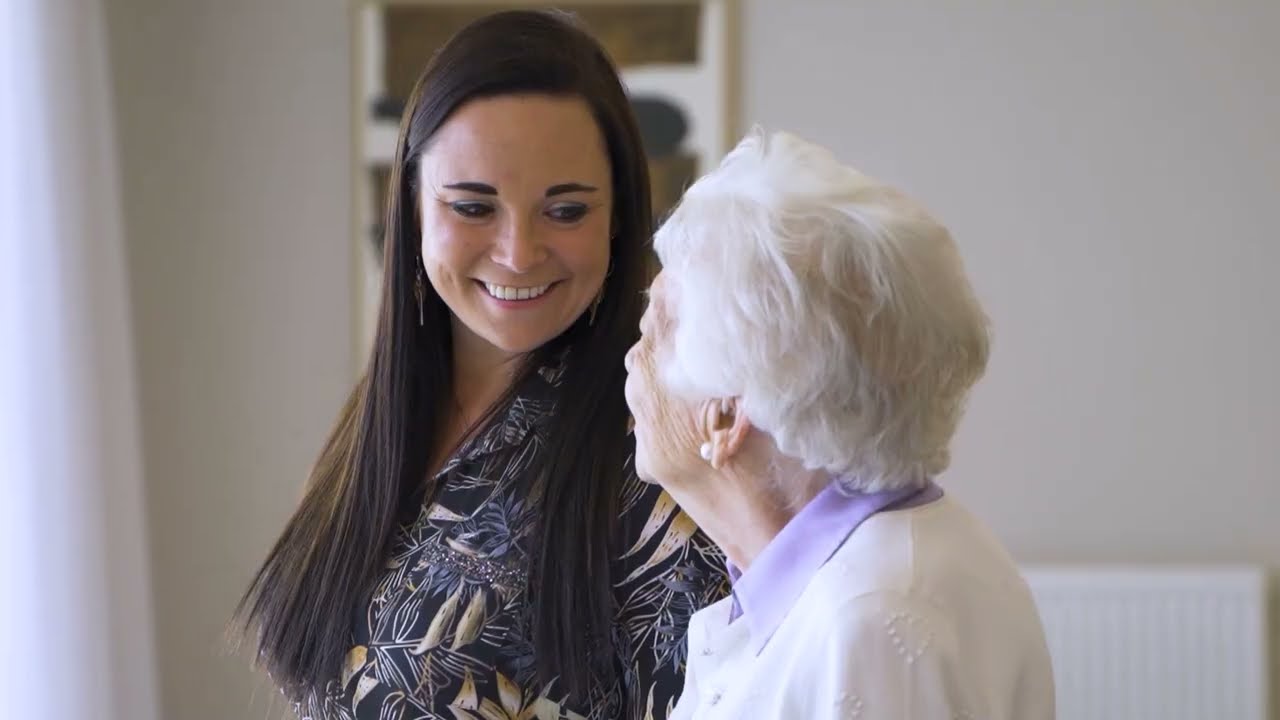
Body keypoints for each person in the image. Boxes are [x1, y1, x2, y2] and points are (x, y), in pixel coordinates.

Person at [237, 10, 728, 720]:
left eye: (565, 211)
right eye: (473, 207)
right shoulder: (380, 419)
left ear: (617, 217)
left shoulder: (657, 458)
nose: (518, 253)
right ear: (411, 204)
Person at [623, 129, 1056, 719]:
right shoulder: (875, 567)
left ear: (726, 414)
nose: (630, 358)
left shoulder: (871, 622)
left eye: (653, 335)